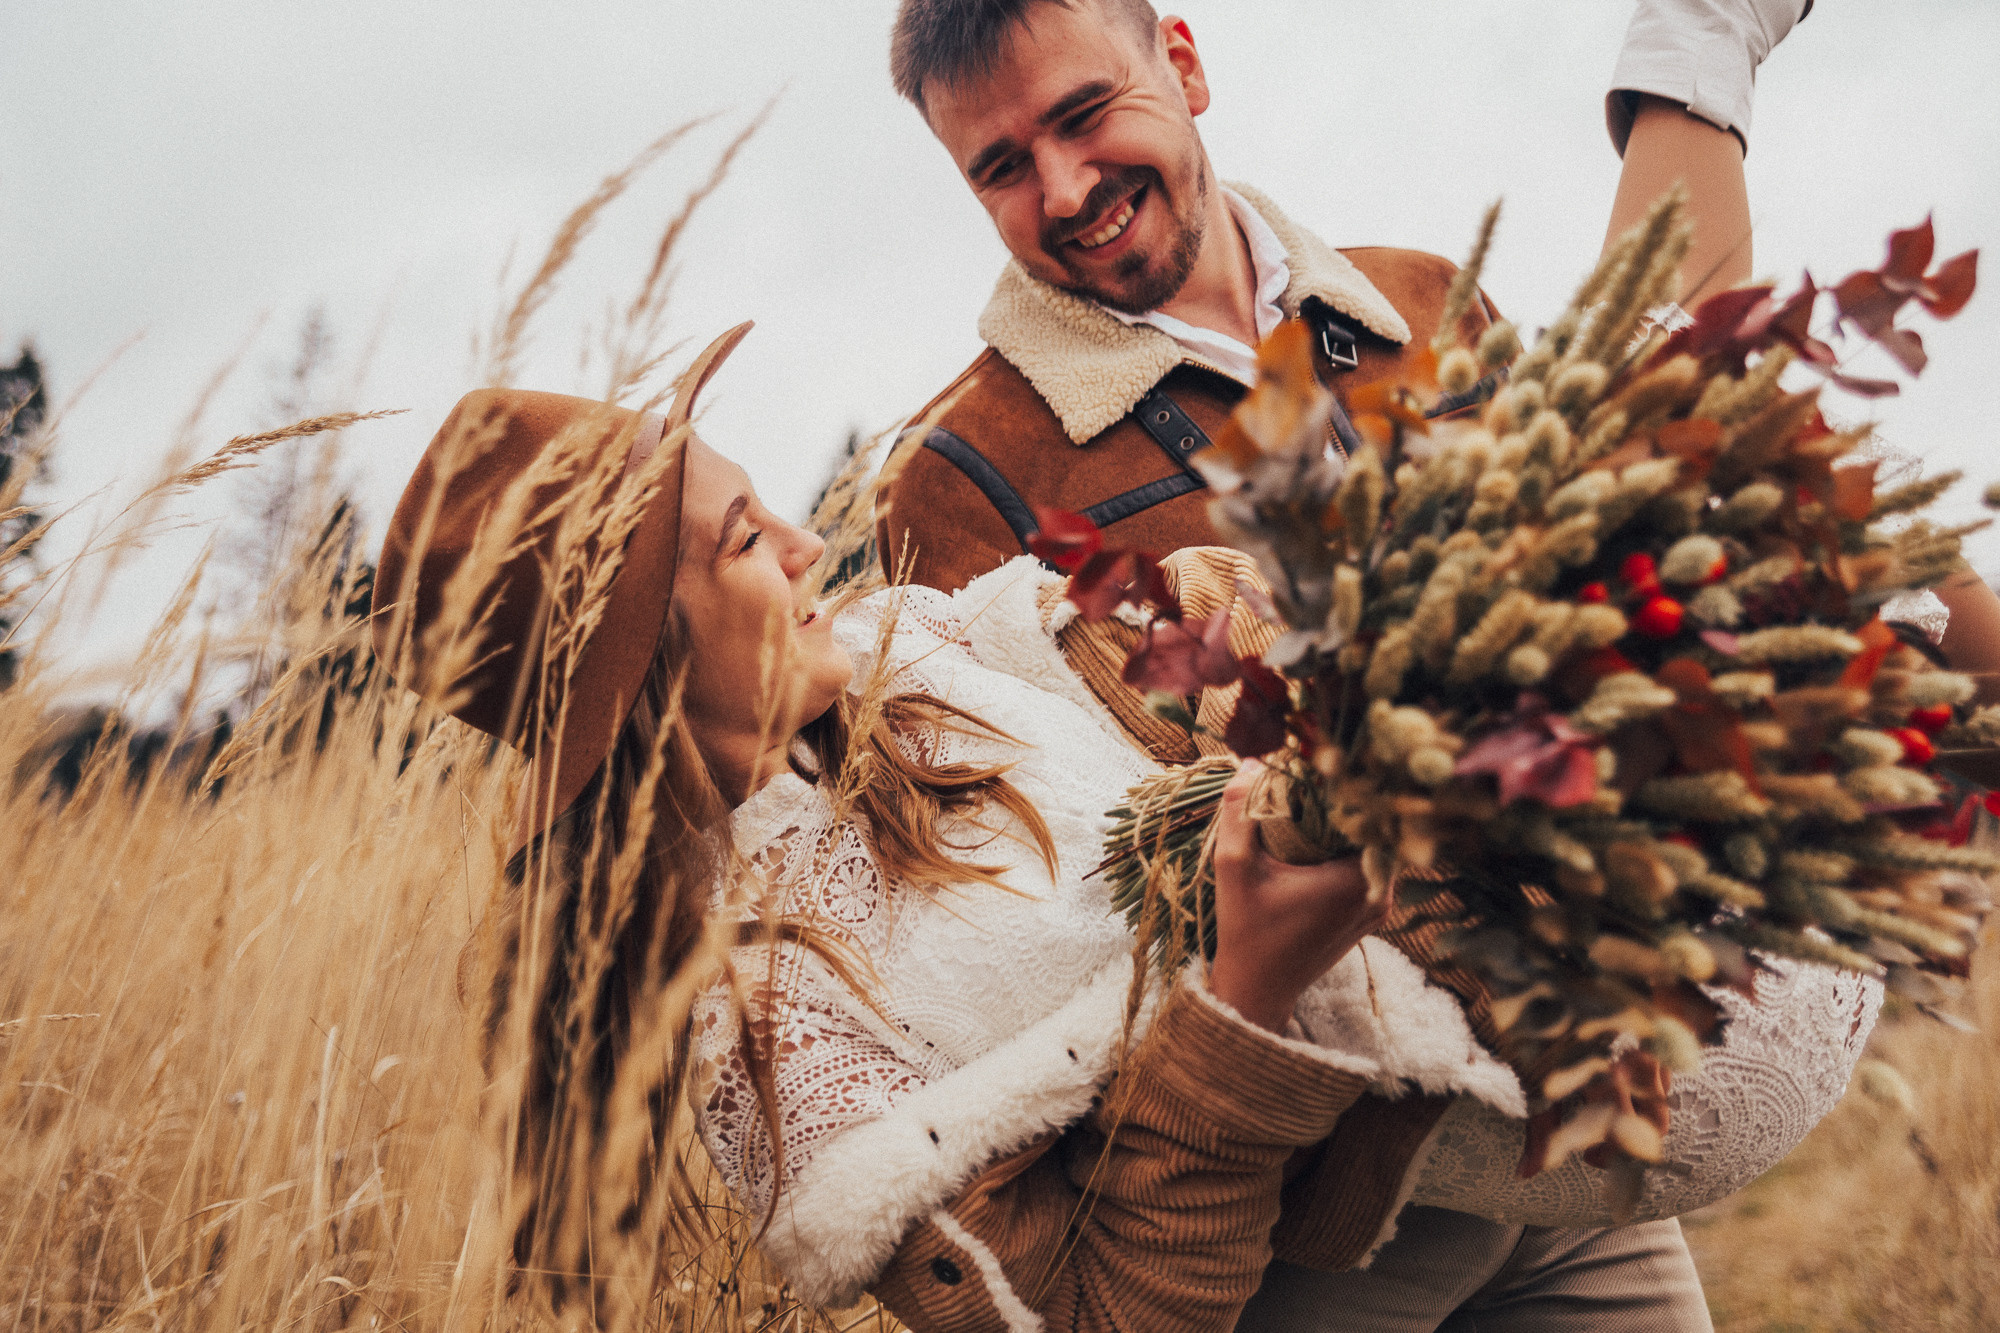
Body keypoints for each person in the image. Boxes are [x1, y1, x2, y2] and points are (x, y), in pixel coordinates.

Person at [372, 321, 1917, 1332]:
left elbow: (1192, 686)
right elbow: (1095, 1313)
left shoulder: (928, 642)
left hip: (1525, 1134)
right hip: (1324, 1262)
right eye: (737, 539)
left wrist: (1286, 644)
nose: (799, 535)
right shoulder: (765, 1031)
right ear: (640, 660)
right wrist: (1245, 1001)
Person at [874, 0, 1798, 598]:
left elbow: (1608, 518)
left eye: (1083, 115)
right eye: (1002, 168)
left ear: (1184, 69)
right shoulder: (955, 475)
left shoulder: (1427, 296)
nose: (1065, 191)